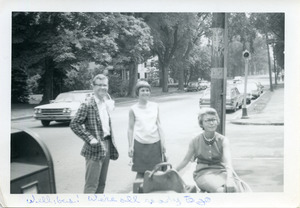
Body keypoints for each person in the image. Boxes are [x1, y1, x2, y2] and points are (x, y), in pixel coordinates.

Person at [70, 74, 119, 193]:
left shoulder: (106, 104)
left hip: (107, 144)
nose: (103, 87)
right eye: (99, 85)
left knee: (102, 183)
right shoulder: (87, 105)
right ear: (93, 87)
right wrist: (89, 138)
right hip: (94, 148)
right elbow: (74, 124)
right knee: (92, 185)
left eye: (105, 85)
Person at [175, 107, 238, 193]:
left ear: (217, 121)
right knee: (221, 191)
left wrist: (230, 178)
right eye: (207, 120)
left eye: (214, 119)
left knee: (234, 189)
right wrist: (174, 171)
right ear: (201, 124)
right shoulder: (195, 141)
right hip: (202, 173)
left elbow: (228, 161)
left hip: (220, 171)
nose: (211, 123)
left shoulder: (223, 140)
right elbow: (185, 161)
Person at [127, 80, 165, 177]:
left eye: (147, 90)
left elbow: (159, 125)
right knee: (141, 173)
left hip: (155, 143)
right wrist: (130, 146)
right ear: (137, 93)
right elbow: (130, 128)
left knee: (157, 172)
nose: (145, 92)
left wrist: (163, 144)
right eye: (142, 90)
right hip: (140, 144)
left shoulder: (155, 106)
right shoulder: (133, 109)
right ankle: (140, 191)